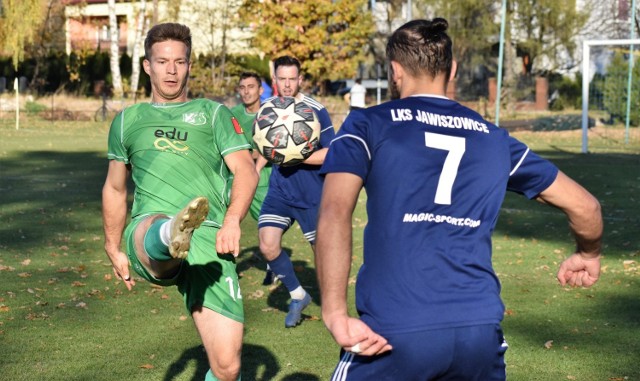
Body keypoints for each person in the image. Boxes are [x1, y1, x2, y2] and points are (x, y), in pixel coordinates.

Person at [316, 18, 602, 380]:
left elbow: (334, 212)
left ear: (394, 71)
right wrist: (588, 253)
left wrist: (334, 312)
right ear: (452, 70)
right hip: (479, 336)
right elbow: (586, 206)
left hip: (394, 331)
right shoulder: (495, 138)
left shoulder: (368, 124)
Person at [101, 23, 258, 381]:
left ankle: (181, 230)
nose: (171, 70)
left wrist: (232, 221)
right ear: (147, 66)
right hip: (148, 232)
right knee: (155, 227)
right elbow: (114, 188)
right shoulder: (128, 121)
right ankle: (172, 230)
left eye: (179, 62)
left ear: (189, 65)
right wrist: (113, 246)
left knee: (228, 367)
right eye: (162, 61)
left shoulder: (214, 114)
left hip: (210, 237)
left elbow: (246, 172)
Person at [256, 55, 335, 328]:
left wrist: (295, 155)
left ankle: (332, 308)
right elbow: (268, 144)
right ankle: (298, 294)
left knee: (322, 254)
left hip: (311, 193)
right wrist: (256, 167)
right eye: (282, 79)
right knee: (267, 245)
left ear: (300, 79)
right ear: (275, 80)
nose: (287, 84)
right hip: (280, 190)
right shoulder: (268, 107)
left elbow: (331, 152)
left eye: (292, 79)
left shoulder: (316, 109)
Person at [230, 72, 277, 285]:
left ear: (260, 90)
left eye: (251, 86)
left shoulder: (269, 114)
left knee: (266, 226)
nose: (246, 91)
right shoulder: (232, 115)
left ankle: (273, 267)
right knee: (228, 220)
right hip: (236, 179)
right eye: (242, 87)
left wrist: (251, 156)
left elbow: (271, 148)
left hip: (263, 179)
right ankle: (228, 267)